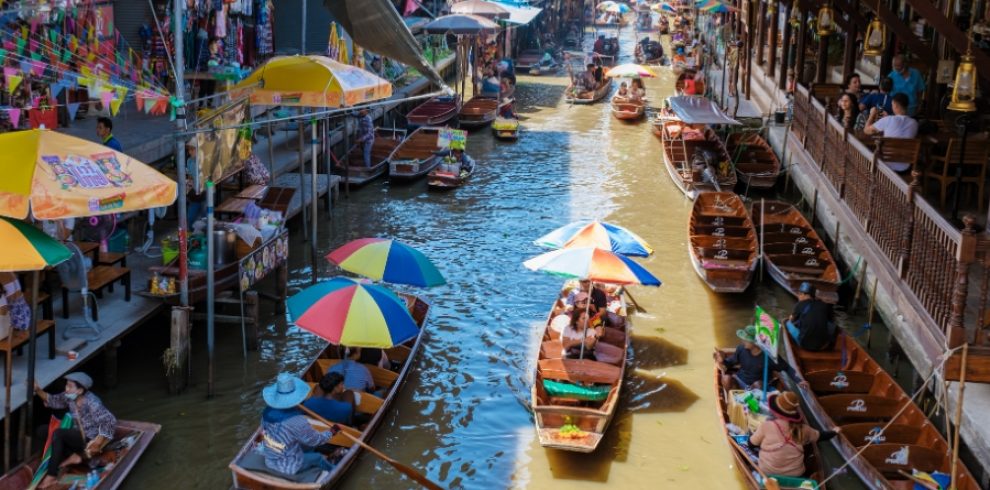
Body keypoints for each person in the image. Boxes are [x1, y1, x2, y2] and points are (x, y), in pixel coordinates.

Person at [34, 373, 116, 489]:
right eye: (67, 385)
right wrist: (37, 390)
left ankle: (51, 475)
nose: (66, 389)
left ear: (80, 390)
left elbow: (109, 421)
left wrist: (97, 443)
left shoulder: (92, 402)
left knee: (59, 434)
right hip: (77, 433)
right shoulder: (69, 396)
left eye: (70, 386)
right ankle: (74, 456)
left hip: (89, 438)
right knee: (42, 430)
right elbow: (53, 400)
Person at [259, 373, 340, 475]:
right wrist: (331, 432)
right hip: (287, 465)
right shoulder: (297, 421)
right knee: (318, 457)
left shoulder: (266, 412)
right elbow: (315, 440)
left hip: (270, 458)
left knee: (307, 446)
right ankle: (334, 470)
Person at [749, 391, 837, 477]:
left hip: (767, 473)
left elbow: (751, 444)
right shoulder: (804, 429)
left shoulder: (766, 426)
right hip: (795, 475)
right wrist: (835, 432)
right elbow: (821, 436)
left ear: (776, 411)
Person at [864, 93, 919, 172]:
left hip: (885, 167)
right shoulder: (914, 123)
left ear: (895, 105)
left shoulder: (888, 120)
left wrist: (872, 114)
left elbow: (866, 130)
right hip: (906, 168)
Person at [715, 325, 781, 390]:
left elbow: (784, 367)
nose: (743, 341)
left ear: (755, 342)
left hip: (757, 387)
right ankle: (731, 397)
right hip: (740, 381)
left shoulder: (768, 355)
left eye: (746, 340)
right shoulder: (741, 348)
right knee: (726, 379)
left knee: (758, 385)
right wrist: (722, 361)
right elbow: (730, 363)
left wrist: (775, 354)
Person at [786, 282, 837, 352]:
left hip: (804, 345)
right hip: (823, 346)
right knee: (831, 325)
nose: (798, 296)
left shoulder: (799, 305)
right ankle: (830, 345)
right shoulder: (824, 305)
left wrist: (791, 317)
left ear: (804, 294)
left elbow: (792, 320)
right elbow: (832, 320)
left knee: (788, 323)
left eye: (799, 294)